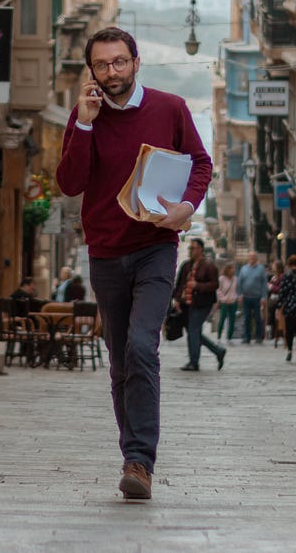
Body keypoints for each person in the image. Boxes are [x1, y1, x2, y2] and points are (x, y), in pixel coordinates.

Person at [56, 27, 212, 502]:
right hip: (105, 253)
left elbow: (200, 164)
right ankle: (134, 454)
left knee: (143, 347)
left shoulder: (170, 108)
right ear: (92, 71)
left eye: (120, 62)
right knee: (121, 361)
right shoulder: (85, 116)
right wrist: (84, 124)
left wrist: (187, 206)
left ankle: (139, 461)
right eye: (102, 65)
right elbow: (69, 183)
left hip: (155, 247)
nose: (112, 72)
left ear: (137, 62)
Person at [173, 238, 226, 371]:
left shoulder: (209, 266)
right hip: (187, 304)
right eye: (190, 248)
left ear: (201, 249)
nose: (191, 250)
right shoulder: (186, 265)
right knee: (194, 332)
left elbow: (215, 284)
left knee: (193, 331)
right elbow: (180, 284)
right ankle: (218, 351)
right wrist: (177, 300)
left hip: (202, 304)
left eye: (194, 248)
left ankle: (194, 362)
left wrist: (198, 285)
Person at [236, 252, 267, 344]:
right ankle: (247, 337)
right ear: (248, 258)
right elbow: (239, 282)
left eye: (253, 256)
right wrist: (239, 294)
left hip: (257, 297)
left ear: (256, 258)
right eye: (250, 256)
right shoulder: (243, 269)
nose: (251, 258)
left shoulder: (261, 269)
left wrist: (263, 296)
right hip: (246, 297)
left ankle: (258, 337)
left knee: (258, 318)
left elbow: (264, 283)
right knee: (247, 318)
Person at [215, 262, 239, 342]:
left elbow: (237, 289)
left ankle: (229, 337)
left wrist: (236, 297)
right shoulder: (221, 278)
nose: (233, 270)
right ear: (227, 269)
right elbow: (218, 290)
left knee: (232, 320)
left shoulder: (235, 279)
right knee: (222, 319)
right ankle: (218, 336)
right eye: (232, 268)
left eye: (234, 268)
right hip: (224, 302)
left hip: (233, 302)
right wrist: (223, 298)